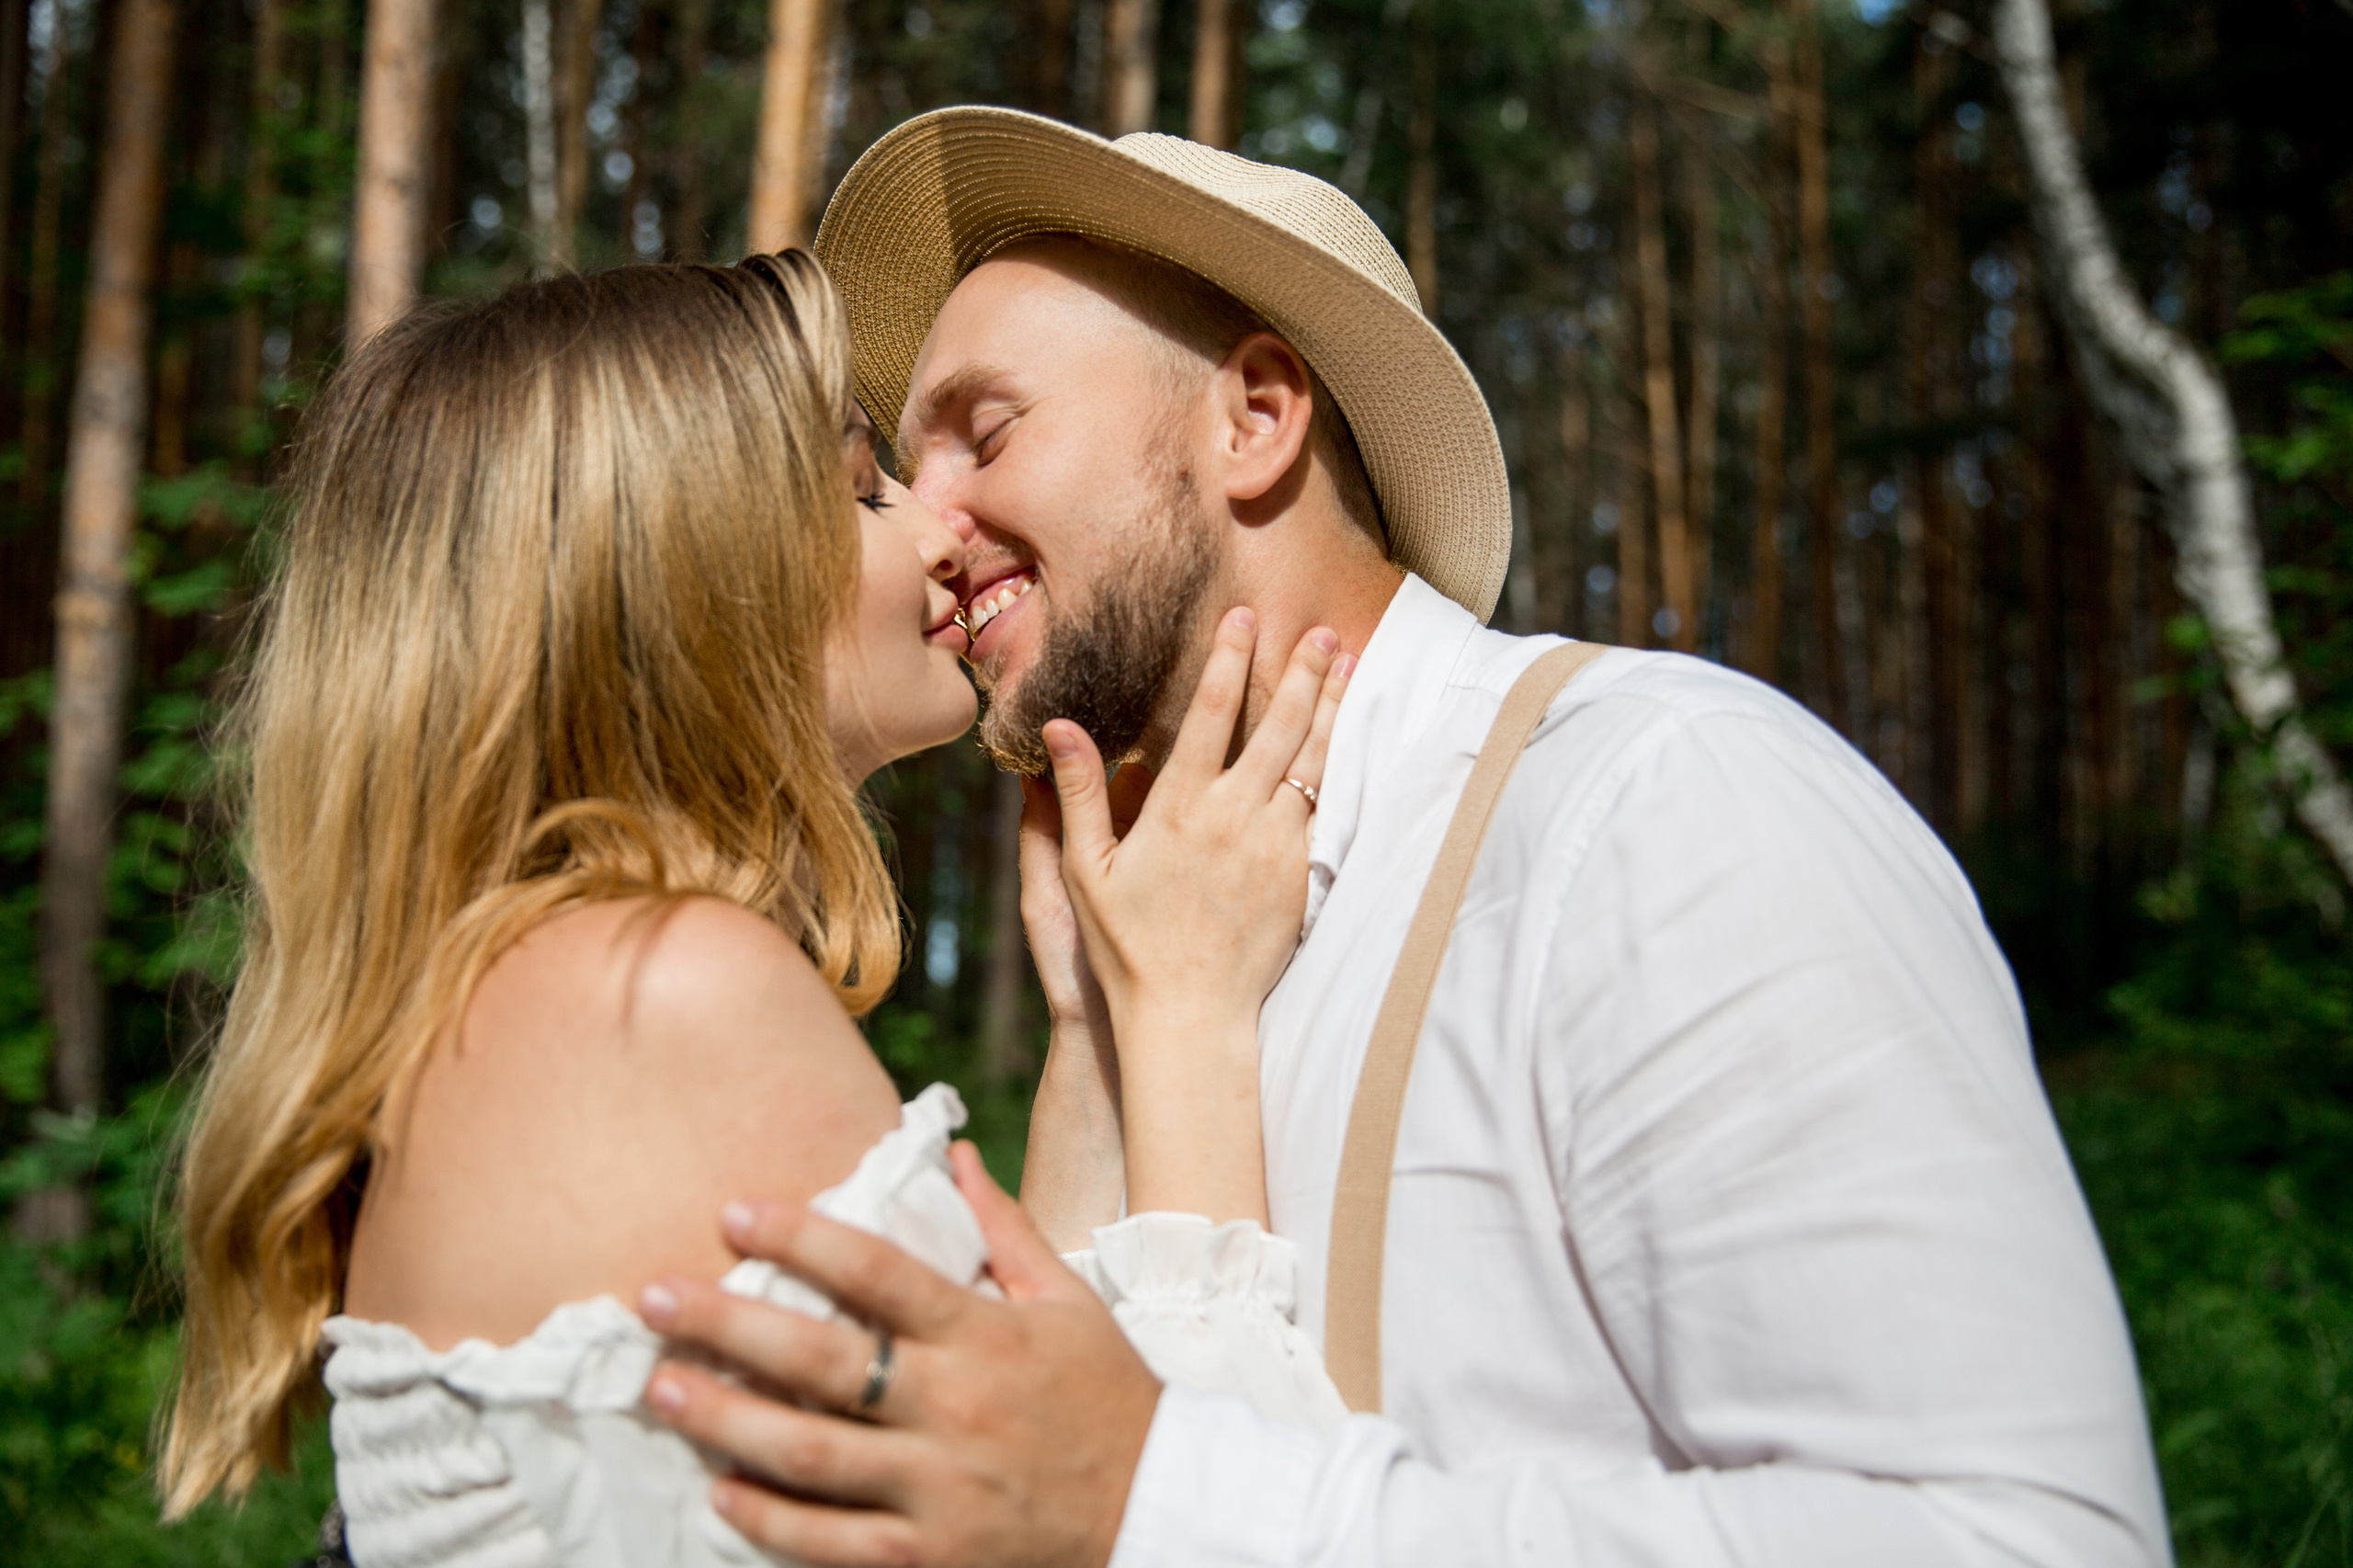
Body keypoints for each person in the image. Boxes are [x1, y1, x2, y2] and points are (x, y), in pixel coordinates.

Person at [633, 109, 2174, 1567]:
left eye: (985, 431)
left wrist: (1159, 1489)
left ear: (1256, 417)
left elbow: (2023, 1540)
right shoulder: (1145, 949)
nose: (928, 522)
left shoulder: (1657, 802)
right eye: (906, 466)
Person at [156, 253, 1353, 1566]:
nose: (940, 529)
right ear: (674, 568)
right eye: (860, 489)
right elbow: (1153, 1519)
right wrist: (1186, 1016)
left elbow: (1025, 1407)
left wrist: (1086, 1025)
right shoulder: (656, 992)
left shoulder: (534, 991)